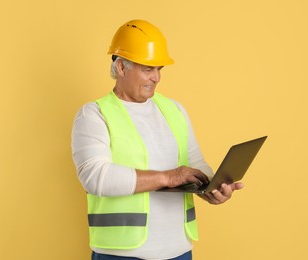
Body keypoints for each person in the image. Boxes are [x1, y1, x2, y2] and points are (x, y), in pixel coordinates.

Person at [71, 19, 244, 260]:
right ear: (121, 68)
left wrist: (210, 187)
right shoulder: (94, 114)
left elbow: (195, 162)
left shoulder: (174, 110)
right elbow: (96, 177)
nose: (157, 78)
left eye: (159, 69)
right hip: (122, 254)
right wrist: (169, 177)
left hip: (179, 251)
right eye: (148, 69)